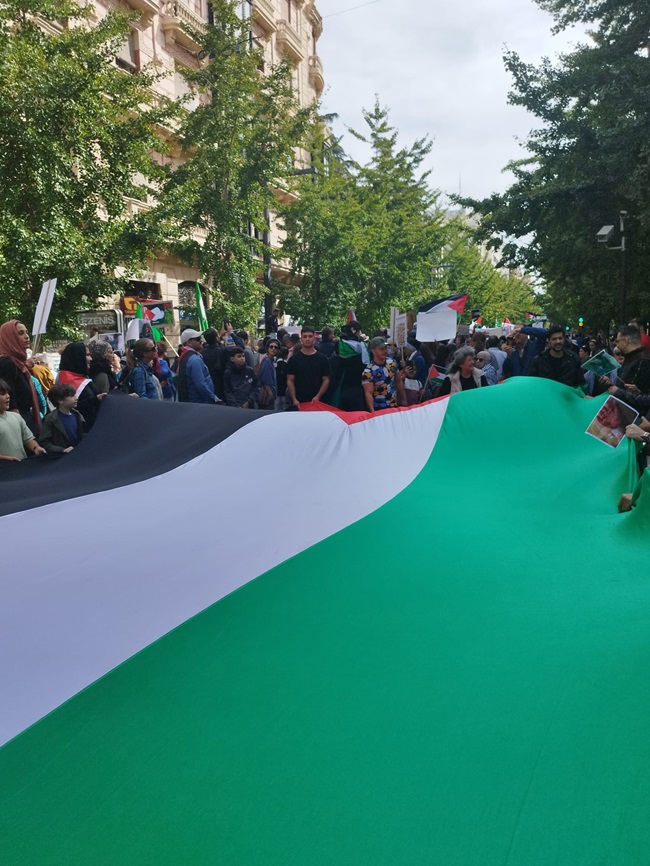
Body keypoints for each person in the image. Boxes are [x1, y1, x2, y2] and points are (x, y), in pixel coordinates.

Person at [0, 319, 42, 433]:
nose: (27, 336)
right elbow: (11, 400)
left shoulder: (20, 364)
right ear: (10, 338)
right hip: (18, 424)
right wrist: (20, 429)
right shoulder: (7, 364)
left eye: (27, 332)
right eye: (20, 333)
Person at [58, 342, 107, 431]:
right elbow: (72, 408)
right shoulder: (66, 381)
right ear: (78, 357)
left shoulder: (81, 377)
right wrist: (95, 400)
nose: (91, 359)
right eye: (87, 355)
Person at [0, 378, 46, 461]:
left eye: (7, 393)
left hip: (20, 465)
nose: (8, 396)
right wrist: (6, 458)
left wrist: (36, 448)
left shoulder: (16, 417)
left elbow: (28, 439)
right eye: (2, 394)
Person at [286, 326, 330, 407]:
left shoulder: (323, 359)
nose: (307, 339)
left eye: (310, 336)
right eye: (305, 336)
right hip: (299, 402)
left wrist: (318, 397)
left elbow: (326, 380)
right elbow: (290, 380)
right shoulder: (294, 359)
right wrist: (294, 399)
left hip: (319, 402)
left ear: (314, 338)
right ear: (301, 339)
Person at [177, 329, 223, 404]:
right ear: (189, 342)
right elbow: (200, 384)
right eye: (198, 339)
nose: (201, 341)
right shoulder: (195, 360)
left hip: (193, 402)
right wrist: (214, 399)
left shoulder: (185, 357)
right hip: (201, 402)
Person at [362, 336, 406, 412]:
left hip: (393, 406)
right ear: (373, 351)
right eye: (381, 349)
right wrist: (372, 412)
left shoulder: (392, 363)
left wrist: (404, 399)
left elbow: (398, 381)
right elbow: (368, 393)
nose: (385, 351)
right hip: (379, 409)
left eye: (385, 348)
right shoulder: (368, 371)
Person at [38, 383, 85, 453]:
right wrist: (62, 450)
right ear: (60, 400)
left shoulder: (77, 415)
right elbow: (44, 442)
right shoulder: (50, 419)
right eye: (72, 396)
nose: (76, 398)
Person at [258, 339, 279, 409]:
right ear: (267, 348)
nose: (273, 349)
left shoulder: (271, 361)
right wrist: (270, 393)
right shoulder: (267, 361)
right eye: (271, 347)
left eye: (276, 347)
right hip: (267, 394)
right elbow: (264, 380)